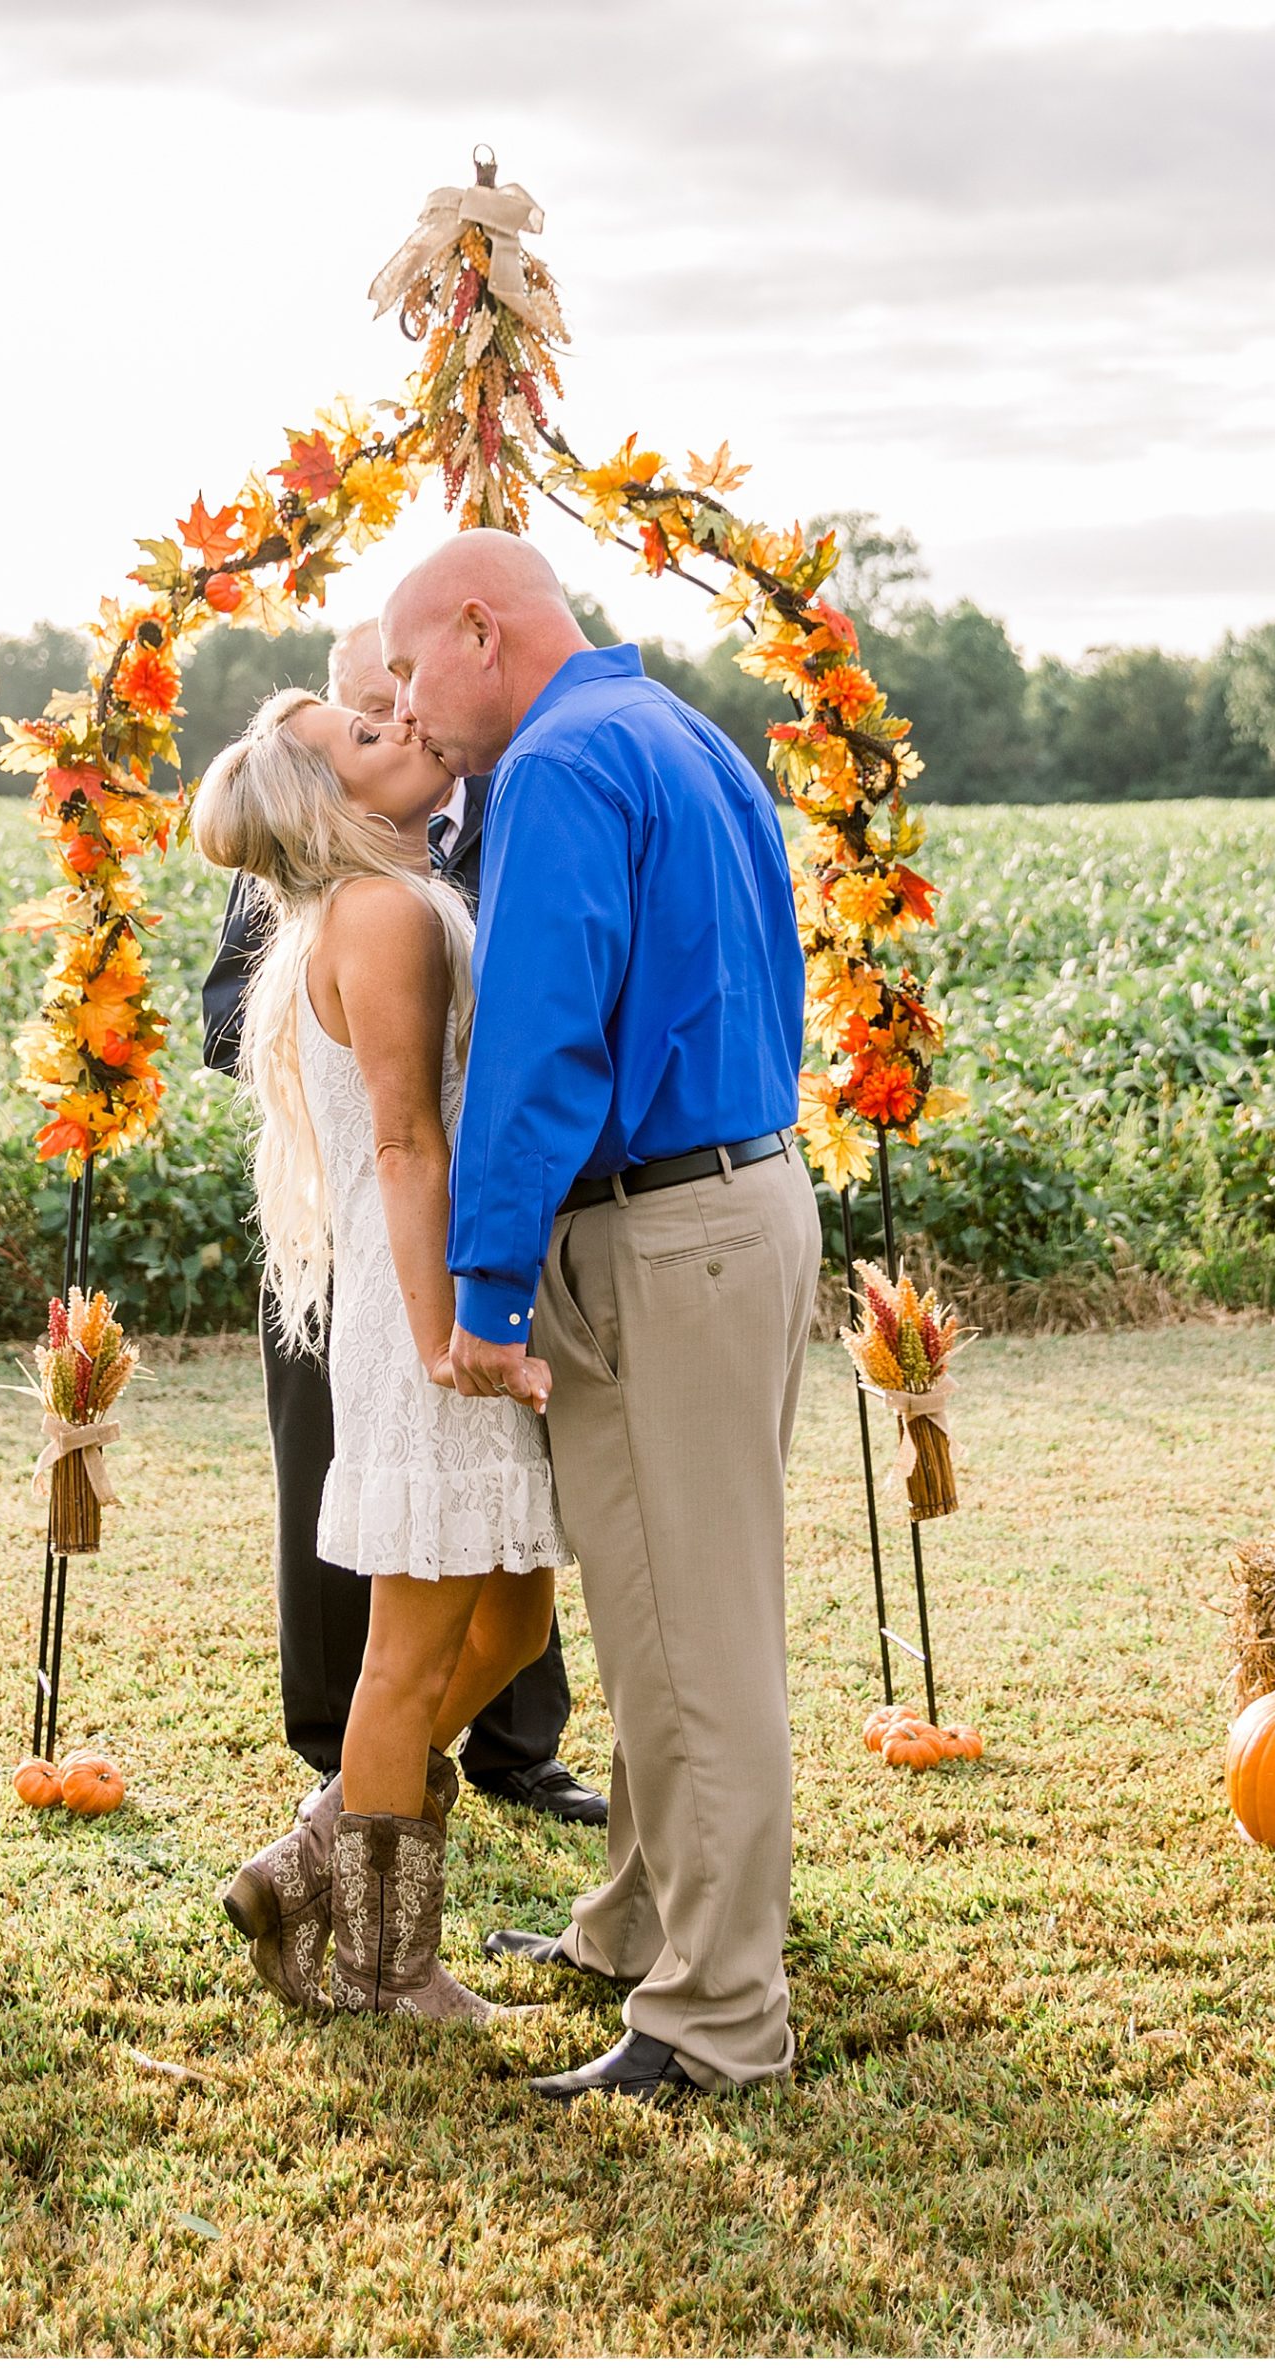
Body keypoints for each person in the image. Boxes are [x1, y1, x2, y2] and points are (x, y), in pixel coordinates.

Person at [380, 530, 822, 2103]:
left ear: (481, 629)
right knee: (668, 1610)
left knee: (689, 1642)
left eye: (411, 666)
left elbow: (540, 1046)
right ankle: (637, 1919)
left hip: (658, 1236)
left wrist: (486, 1288)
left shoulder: (556, 766)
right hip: (749, 1199)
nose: (408, 711)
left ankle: (712, 2016)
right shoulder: (680, 733)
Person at [192, 684, 571, 2024]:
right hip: (427, 1315)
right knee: (407, 1662)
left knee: (516, 1614)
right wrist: (451, 1337)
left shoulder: (367, 909)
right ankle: (383, 1965)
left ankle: (312, 1855)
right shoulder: (383, 912)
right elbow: (408, 1147)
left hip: (430, 1299)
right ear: (334, 803)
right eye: (364, 737)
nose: (399, 728)